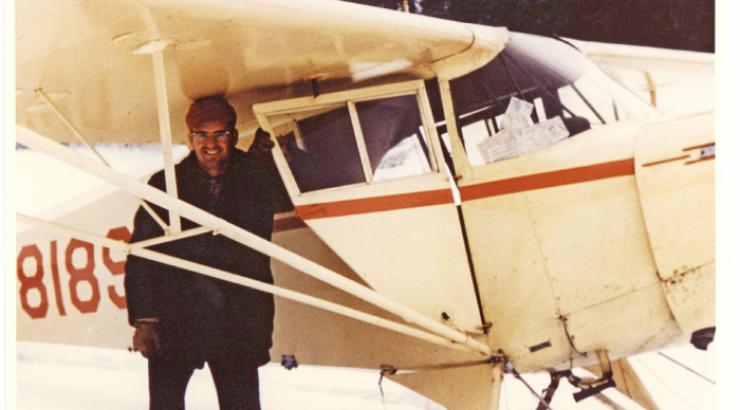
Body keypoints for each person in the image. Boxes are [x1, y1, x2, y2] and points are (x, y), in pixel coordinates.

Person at [125, 95, 290, 409]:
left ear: (234, 135)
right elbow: (141, 255)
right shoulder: (164, 185)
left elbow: (256, 234)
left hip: (237, 320)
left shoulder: (257, 177)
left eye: (221, 134)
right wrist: (145, 321)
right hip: (177, 319)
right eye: (202, 134)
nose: (211, 144)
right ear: (189, 139)